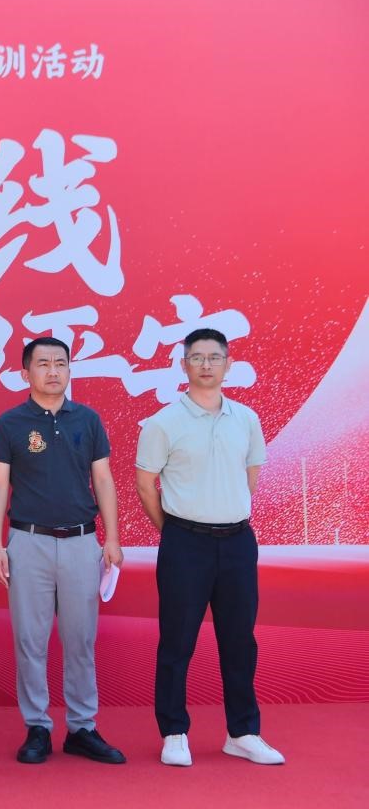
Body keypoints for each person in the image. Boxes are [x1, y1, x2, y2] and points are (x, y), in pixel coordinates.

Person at [136, 328, 283, 767]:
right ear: (183, 365)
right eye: (196, 357)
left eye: (214, 357)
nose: (205, 365)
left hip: (237, 542)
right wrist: (177, 530)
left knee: (239, 641)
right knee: (177, 641)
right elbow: (145, 485)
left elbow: (250, 477)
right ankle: (173, 732)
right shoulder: (163, 422)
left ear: (228, 364)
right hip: (185, 543)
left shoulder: (246, 419)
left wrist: (225, 513)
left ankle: (243, 732)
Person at [0, 337, 126, 765]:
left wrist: (112, 538)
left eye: (60, 363)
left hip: (82, 542)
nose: (52, 371)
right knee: (30, 639)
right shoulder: (10, 423)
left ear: (69, 370)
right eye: (43, 363)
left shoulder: (88, 420)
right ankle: (37, 727)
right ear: (25, 372)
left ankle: (82, 727)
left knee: (80, 639)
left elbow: (103, 479)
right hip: (28, 541)